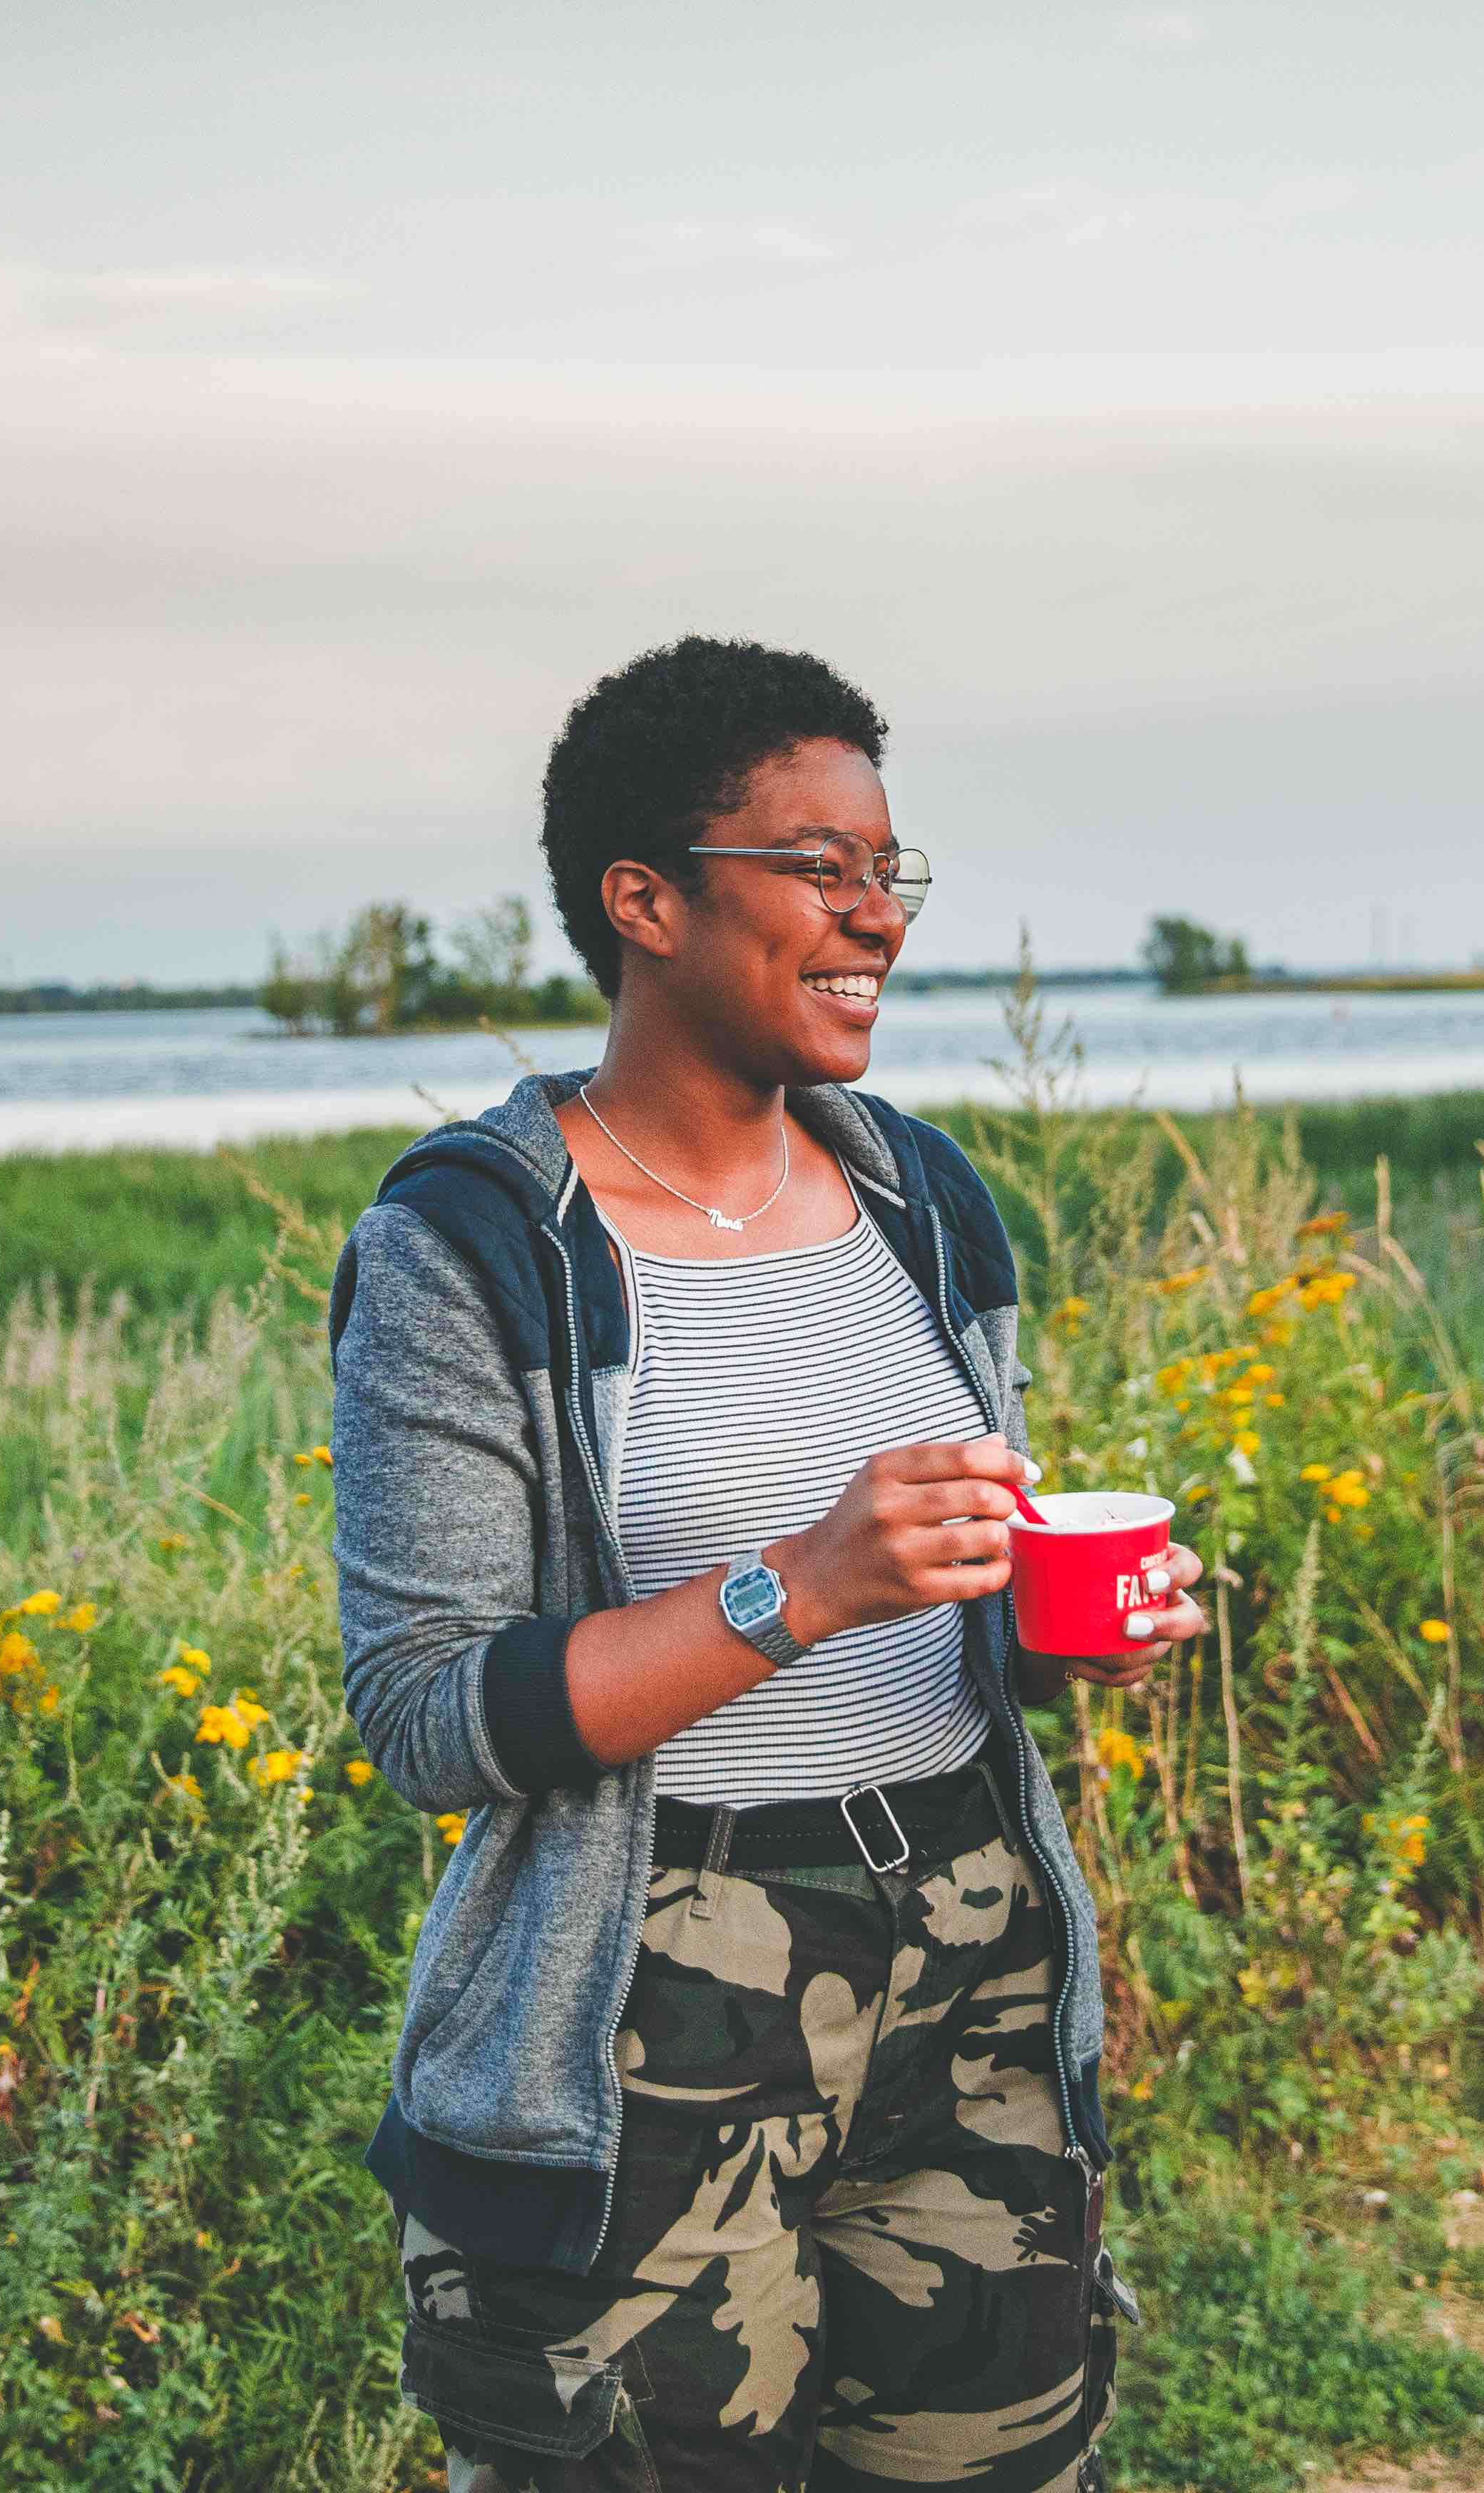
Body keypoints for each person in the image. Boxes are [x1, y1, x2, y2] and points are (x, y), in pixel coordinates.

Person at [332, 636, 1208, 2493]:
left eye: (889, 871)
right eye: (820, 865)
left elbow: (948, 1624)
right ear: (642, 898)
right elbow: (429, 1719)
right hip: (648, 2000)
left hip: (968, 1962)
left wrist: (1060, 1631)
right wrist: (795, 1586)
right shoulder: (480, 1242)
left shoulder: (921, 1198)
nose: (874, 915)